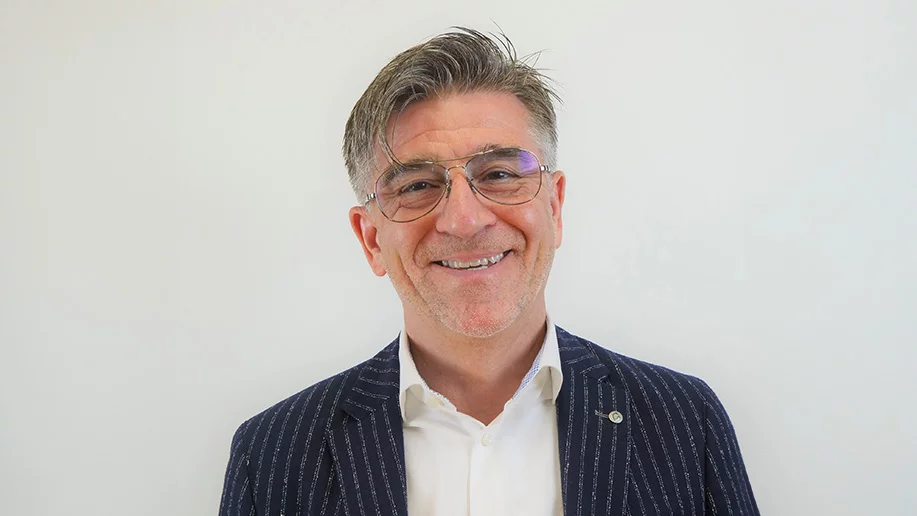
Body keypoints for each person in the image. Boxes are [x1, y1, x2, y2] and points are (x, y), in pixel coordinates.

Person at [218, 28, 758, 516]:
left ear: (555, 206)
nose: (464, 220)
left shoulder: (686, 423)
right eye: (417, 186)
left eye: (499, 173)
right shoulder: (271, 458)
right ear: (371, 238)